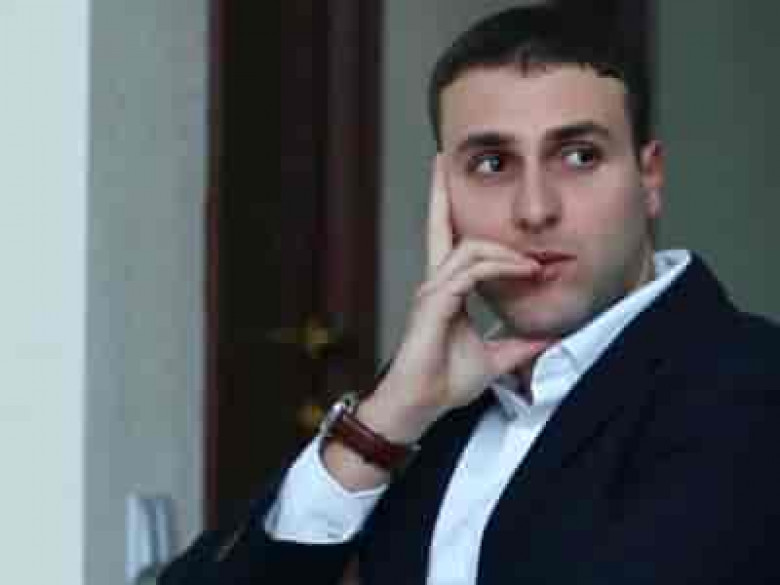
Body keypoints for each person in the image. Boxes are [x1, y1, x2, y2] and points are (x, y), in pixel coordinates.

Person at [161, 4, 780, 584]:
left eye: (579, 156)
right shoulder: (427, 404)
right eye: (492, 164)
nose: (534, 209)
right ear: (444, 195)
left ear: (650, 178)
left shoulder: (750, 387)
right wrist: (383, 422)